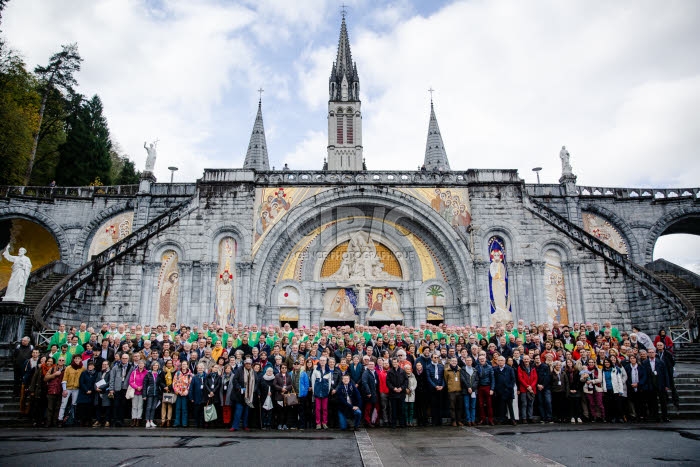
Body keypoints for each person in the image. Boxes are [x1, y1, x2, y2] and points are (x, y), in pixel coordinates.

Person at [643, 348, 670, 422]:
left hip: (660, 384)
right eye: (649, 352)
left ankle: (665, 416)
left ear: (655, 353)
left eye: (652, 352)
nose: (651, 354)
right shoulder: (645, 362)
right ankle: (656, 416)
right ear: (647, 354)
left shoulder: (660, 362)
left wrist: (667, 385)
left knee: (663, 402)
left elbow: (665, 374)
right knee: (653, 402)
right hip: (651, 384)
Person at [58, 354, 84, 427]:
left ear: (81, 359)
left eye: (78, 358)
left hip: (76, 388)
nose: (77, 360)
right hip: (68, 388)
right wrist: (64, 389)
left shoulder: (82, 368)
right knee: (63, 404)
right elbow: (64, 379)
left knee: (74, 404)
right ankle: (60, 419)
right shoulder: (68, 368)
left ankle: (72, 419)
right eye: (75, 358)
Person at [230, 358, 256, 431]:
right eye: (247, 363)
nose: (248, 365)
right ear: (244, 364)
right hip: (239, 395)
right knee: (238, 412)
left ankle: (245, 426)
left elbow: (256, 382)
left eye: (249, 364)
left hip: (249, 395)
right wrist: (239, 388)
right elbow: (234, 380)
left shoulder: (253, 372)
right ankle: (235, 426)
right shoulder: (239, 370)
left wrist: (253, 390)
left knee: (246, 413)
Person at [108, 353, 133, 427]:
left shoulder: (131, 367)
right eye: (123, 358)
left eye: (126, 358)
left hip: (125, 388)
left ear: (128, 359)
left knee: (123, 405)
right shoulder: (116, 367)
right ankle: (115, 420)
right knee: (116, 405)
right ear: (121, 359)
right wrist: (111, 389)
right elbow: (112, 378)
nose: (124, 360)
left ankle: (121, 420)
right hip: (117, 388)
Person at [493, 355, 516, 425]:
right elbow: (494, 380)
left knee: (510, 406)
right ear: (497, 361)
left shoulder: (509, 369)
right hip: (500, 391)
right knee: (501, 406)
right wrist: (496, 388)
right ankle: (502, 419)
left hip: (508, 391)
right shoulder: (495, 369)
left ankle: (513, 419)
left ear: (505, 361)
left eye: (502, 360)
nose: (500, 362)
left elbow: (513, 379)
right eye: (499, 360)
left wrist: (509, 387)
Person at [386, 358, 408, 428]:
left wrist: (401, 388)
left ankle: (402, 423)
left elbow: (406, 381)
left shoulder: (403, 371)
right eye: (393, 362)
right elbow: (388, 382)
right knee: (393, 410)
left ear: (398, 363)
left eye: (396, 362)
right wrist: (393, 388)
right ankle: (393, 424)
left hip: (401, 393)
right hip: (393, 394)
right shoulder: (389, 372)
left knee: (401, 409)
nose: (394, 363)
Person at [311, 356, 332, 429]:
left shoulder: (328, 371)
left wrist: (328, 391)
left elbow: (329, 383)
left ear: (326, 362)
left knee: (325, 409)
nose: (322, 362)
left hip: (325, 392)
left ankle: (324, 423)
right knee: (317, 408)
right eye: (321, 360)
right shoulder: (316, 370)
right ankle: (318, 423)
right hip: (317, 392)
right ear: (319, 361)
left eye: (324, 360)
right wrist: (314, 391)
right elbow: (313, 381)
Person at [76, 360, 98, 426]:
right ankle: (82, 420)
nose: (90, 367)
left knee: (89, 408)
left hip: (91, 392)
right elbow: (81, 382)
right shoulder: (84, 373)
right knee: (82, 407)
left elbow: (96, 382)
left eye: (91, 365)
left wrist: (91, 390)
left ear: (94, 367)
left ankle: (88, 420)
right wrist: (86, 390)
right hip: (83, 392)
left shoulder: (96, 373)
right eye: (89, 365)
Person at [426, 352, 445, 426]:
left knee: (440, 405)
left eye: (437, 357)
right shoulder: (428, 367)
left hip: (440, 388)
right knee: (433, 405)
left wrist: (442, 386)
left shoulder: (441, 366)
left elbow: (443, 377)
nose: (436, 359)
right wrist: (435, 386)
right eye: (434, 357)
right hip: (432, 389)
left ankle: (439, 421)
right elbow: (428, 378)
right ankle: (434, 421)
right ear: (431, 358)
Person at [517, 355, 537, 423]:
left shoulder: (533, 367)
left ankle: (530, 417)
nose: (526, 361)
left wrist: (531, 386)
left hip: (532, 389)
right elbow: (520, 378)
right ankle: (524, 418)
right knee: (524, 404)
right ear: (523, 360)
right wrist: (527, 386)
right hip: (524, 389)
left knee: (531, 403)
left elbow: (535, 378)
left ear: (529, 360)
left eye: (527, 359)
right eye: (525, 359)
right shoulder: (520, 367)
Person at [475, 354, 495, 425]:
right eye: (480, 359)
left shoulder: (490, 367)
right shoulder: (476, 367)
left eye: (483, 359)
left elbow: (492, 379)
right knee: (480, 404)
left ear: (485, 359)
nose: (482, 360)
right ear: (478, 360)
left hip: (487, 386)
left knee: (489, 404)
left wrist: (492, 389)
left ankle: (490, 419)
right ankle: (482, 419)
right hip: (480, 387)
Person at [273, 363, 293, 430]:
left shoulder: (289, 375)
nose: (284, 369)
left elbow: (291, 384)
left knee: (286, 411)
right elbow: (274, 384)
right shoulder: (277, 375)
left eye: (285, 368)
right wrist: (281, 389)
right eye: (282, 368)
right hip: (279, 395)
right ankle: (279, 424)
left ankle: (285, 424)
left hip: (287, 395)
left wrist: (286, 388)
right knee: (279, 411)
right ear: (280, 368)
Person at [143, 361, 162, 429]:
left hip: (156, 393)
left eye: (156, 365)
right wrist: (144, 395)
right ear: (152, 366)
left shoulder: (159, 374)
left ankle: (151, 420)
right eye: (154, 365)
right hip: (150, 393)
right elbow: (145, 385)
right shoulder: (148, 374)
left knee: (154, 407)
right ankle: (147, 421)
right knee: (149, 407)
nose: (155, 367)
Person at [444, 356, 462, 427]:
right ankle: (453, 420)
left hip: (459, 390)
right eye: (453, 361)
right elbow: (446, 379)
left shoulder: (460, 369)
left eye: (455, 361)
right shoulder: (446, 370)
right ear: (450, 362)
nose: (454, 362)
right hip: (451, 391)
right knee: (452, 407)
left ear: (457, 362)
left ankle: (459, 420)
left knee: (459, 407)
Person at [361, 360, 380, 427]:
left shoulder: (374, 372)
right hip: (369, 394)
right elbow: (364, 383)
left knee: (374, 407)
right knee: (368, 408)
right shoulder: (366, 373)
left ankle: (374, 421)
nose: (371, 365)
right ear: (367, 365)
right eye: (370, 364)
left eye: (372, 364)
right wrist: (368, 392)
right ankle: (367, 421)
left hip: (374, 393)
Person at [129, 359, 147, 427]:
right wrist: (136, 387)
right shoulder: (134, 372)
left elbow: (147, 381)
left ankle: (138, 419)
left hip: (142, 391)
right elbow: (130, 381)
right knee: (134, 406)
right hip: (135, 391)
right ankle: (134, 419)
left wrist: (141, 387)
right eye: (139, 364)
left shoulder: (146, 372)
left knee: (140, 406)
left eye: (142, 364)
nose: (141, 365)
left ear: (144, 365)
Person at [94, 360, 112, 427]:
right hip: (98, 392)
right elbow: (96, 381)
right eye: (103, 364)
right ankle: (98, 420)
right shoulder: (99, 373)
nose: (104, 365)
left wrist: (101, 387)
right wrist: (96, 388)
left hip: (105, 391)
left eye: (105, 364)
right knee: (98, 407)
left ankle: (107, 421)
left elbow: (109, 382)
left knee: (107, 407)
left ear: (108, 365)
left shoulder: (110, 373)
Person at [189, 363, 207, 428]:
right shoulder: (194, 377)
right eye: (199, 368)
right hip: (196, 397)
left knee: (203, 412)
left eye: (202, 368)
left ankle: (203, 424)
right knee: (196, 411)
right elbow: (191, 388)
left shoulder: (206, 376)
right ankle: (197, 424)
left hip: (204, 397)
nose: (200, 369)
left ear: (204, 369)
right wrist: (191, 397)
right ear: (197, 369)